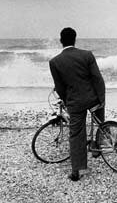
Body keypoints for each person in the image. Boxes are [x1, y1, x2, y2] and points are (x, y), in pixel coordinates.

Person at [49, 27, 105, 181]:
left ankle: (77, 170)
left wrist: (67, 102)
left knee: (76, 134)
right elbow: (97, 79)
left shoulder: (55, 62)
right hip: (93, 98)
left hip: (75, 102)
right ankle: (97, 146)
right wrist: (102, 98)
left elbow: (60, 87)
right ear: (75, 39)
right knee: (100, 122)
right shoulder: (87, 55)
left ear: (61, 41)